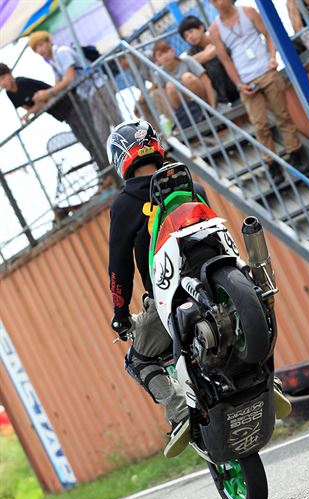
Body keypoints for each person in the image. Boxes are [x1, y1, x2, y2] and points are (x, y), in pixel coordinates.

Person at [107, 119, 209, 457]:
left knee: (138, 359)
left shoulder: (125, 204)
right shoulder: (191, 183)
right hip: (215, 280)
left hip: (170, 297)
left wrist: (120, 313)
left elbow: (120, 268)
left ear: (121, 158)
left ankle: (180, 413)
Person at [209, 0, 309, 184]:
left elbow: (268, 34)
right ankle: (272, 166)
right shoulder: (215, 29)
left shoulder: (248, 12)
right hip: (246, 80)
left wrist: (272, 57)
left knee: (282, 115)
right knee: (260, 125)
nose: (221, 2)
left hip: (266, 70)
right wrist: (239, 84)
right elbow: (226, 61)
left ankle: (296, 154)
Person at [28, 30, 121, 185]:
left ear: (49, 41)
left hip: (98, 86)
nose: (40, 50)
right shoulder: (53, 62)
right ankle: (121, 169)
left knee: (118, 123)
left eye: (41, 45)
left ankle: (141, 152)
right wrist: (41, 99)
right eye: (36, 48)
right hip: (89, 94)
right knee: (102, 135)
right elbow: (59, 85)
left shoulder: (62, 52)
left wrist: (48, 93)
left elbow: (69, 78)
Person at [0, 62, 99, 161]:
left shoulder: (23, 82)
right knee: (86, 141)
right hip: (63, 115)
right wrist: (32, 110)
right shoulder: (10, 94)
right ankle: (102, 164)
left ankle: (104, 165)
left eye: (3, 78)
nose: (2, 83)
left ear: (10, 73)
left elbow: (42, 102)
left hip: (71, 104)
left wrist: (29, 112)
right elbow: (31, 108)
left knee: (92, 137)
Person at [178, 15, 239, 109]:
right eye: (186, 36)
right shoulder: (191, 53)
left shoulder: (217, 37)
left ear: (201, 27)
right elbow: (185, 64)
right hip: (216, 95)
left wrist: (203, 57)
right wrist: (206, 55)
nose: (190, 37)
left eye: (191, 31)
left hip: (235, 85)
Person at [152, 40, 216, 128]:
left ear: (172, 50)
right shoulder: (159, 74)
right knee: (170, 86)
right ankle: (185, 117)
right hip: (182, 104)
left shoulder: (187, 60)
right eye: (160, 55)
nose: (164, 56)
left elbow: (206, 81)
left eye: (166, 51)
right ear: (156, 60)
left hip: (201, 97)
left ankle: (205, 110)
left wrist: (212, 106)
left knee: (187, 77)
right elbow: (165, 98)